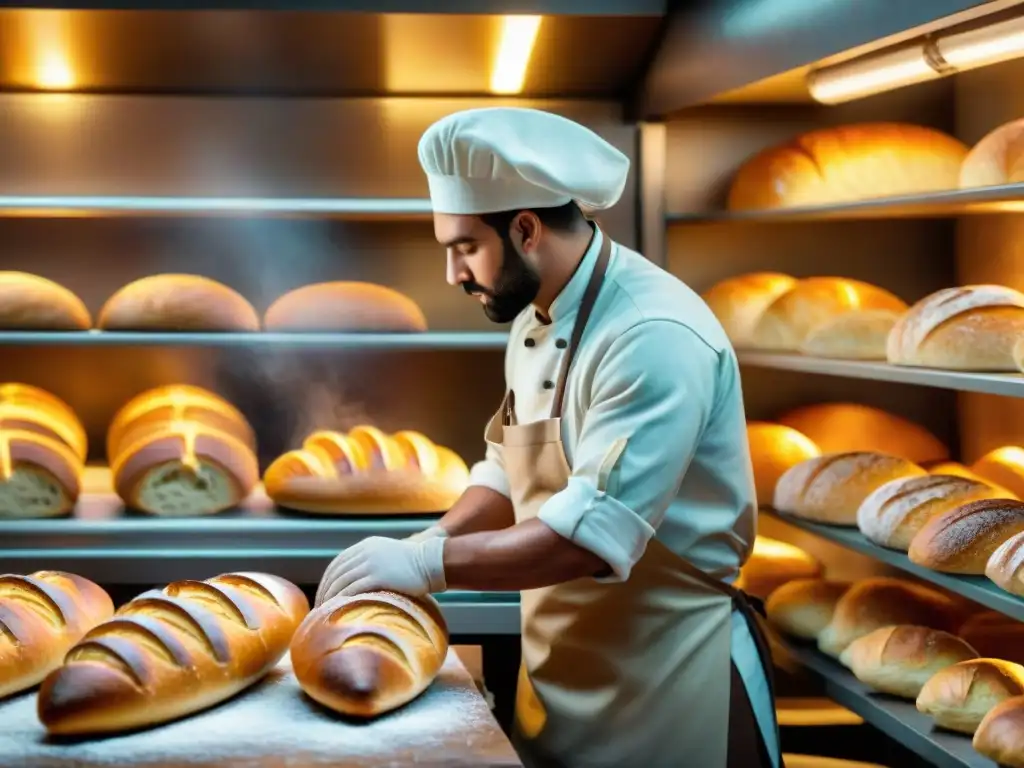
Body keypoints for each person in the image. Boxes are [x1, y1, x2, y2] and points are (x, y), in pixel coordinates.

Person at [315, 107, 782, 768]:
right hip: (567, 677)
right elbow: (510, 466)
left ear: (526, 229)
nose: (453, 273)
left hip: (668, 685)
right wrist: (434, 537)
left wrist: (429, 567)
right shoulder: (536, 315)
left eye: (463, 247)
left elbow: (589, 536)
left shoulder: (652, 335)